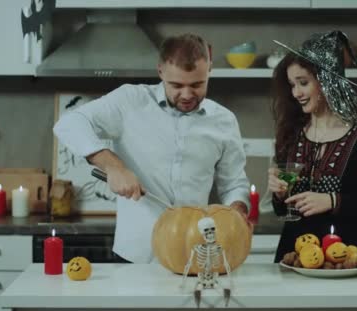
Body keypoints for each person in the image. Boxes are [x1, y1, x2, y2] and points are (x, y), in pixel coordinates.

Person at [54, 33, 251, 263]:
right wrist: (113, 166)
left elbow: (234, 183)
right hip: (135, 256)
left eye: (197, 84)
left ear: (209, 70)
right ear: (160, 71)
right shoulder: (130, 101)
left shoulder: (224, 120)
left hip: (195, 255)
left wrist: (236, 212)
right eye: (176, 85)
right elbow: (68, 123)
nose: (187, 95)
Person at [267, 30, 357, 262]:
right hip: (292, 259)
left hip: (345, 261)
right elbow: (283, 211)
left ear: (327, 80)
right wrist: (279, 194)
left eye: (303, 83)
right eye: (291, 85)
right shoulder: (291, 135)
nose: (296, 93)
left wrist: (333, 201)